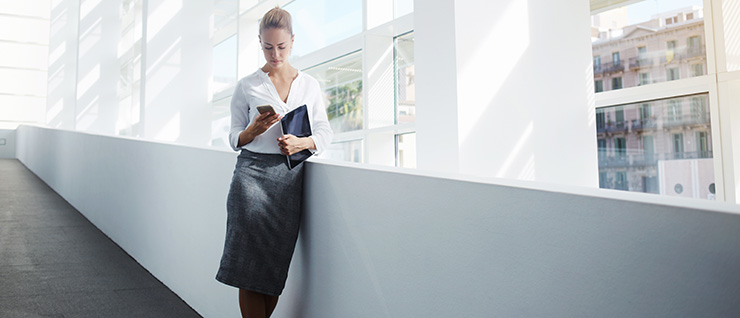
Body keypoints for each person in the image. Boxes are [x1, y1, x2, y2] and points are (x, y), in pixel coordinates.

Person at [215, 6, 333, 318]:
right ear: (259, 43)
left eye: (281, 47)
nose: (275, 54)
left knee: (272, 269)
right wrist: (251, 131)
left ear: (292, 42)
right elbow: (231, 136)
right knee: (247, 268)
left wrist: (302, 142)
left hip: (288, 182)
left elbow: (325, 132)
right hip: (250, 178)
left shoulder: (308, 85)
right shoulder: (248, 85)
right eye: (268, 47)